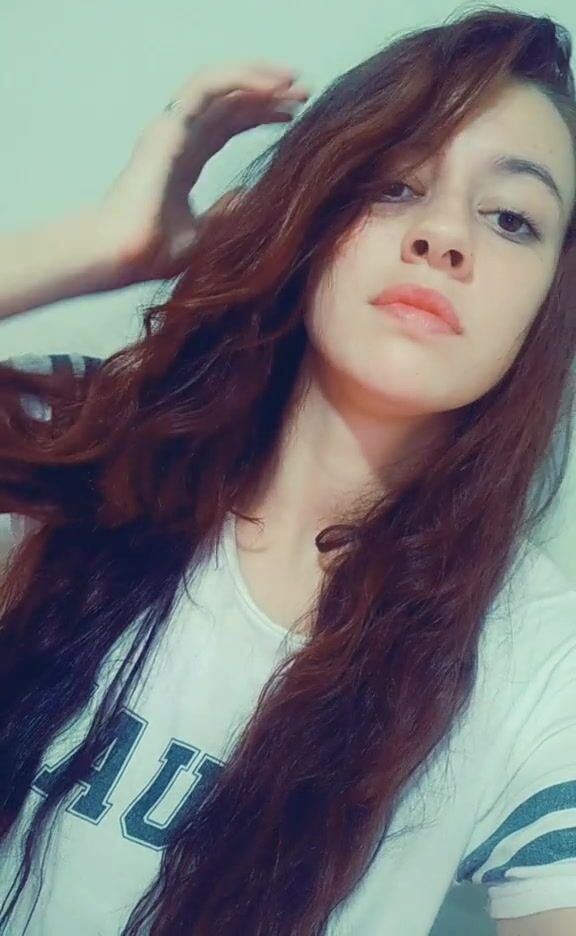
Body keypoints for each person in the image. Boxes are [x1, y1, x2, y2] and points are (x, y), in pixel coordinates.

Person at [1, 6, 576, 935]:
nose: (443, 235)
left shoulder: (540, 664)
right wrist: (104, 245)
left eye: (512, 218)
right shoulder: (78, 444)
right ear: (313, 213)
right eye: (392, 185)